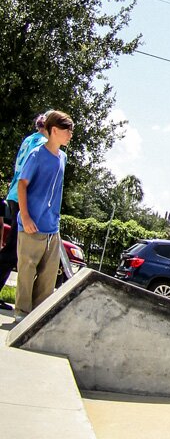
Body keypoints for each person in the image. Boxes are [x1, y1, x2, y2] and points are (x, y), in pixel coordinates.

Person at [14, 111, 73, 317]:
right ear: (54, 130)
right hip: (32, 223)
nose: (71, 134)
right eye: (68, 129)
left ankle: (37, 316)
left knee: (48, 275)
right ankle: (22, 312)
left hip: (51, 226)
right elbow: (22, 185)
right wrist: (26, 216)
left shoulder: (63, 157)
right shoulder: (37, 154)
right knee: (27, 270)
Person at [0, 112, 49, 308]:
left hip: (14, 194)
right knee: (14, 250)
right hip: (24, 197)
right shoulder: (41, 144)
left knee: (15, 249)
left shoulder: (29, 139)